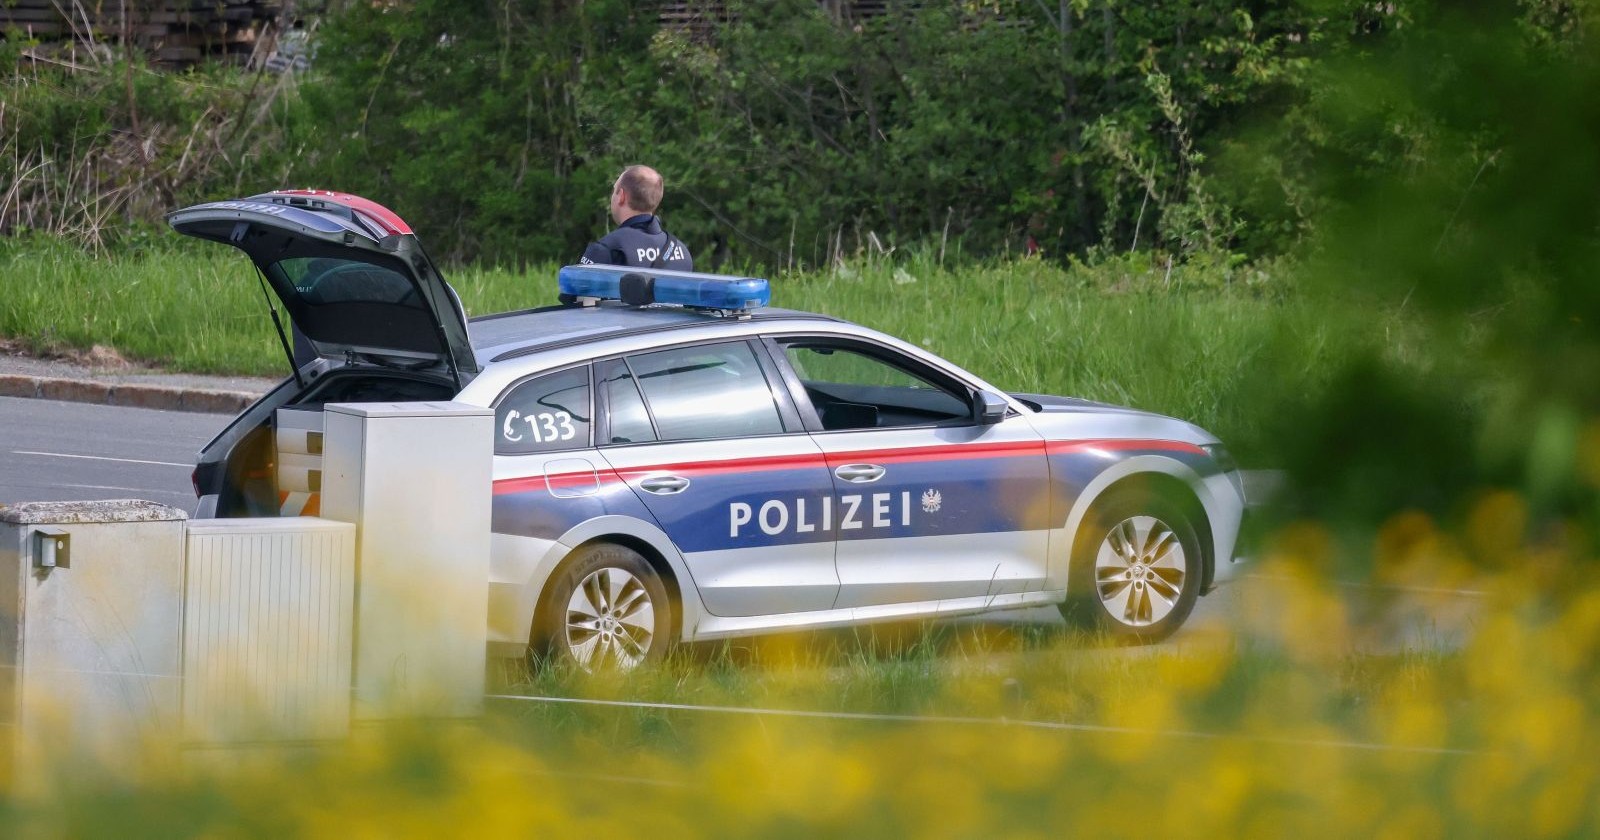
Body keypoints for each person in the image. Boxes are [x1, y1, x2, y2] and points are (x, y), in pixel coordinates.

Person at [579, 165, 693, 272]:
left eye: (614, 190)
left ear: (622, 196)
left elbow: (577, 286)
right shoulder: (682, 252)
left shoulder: (607, 250)